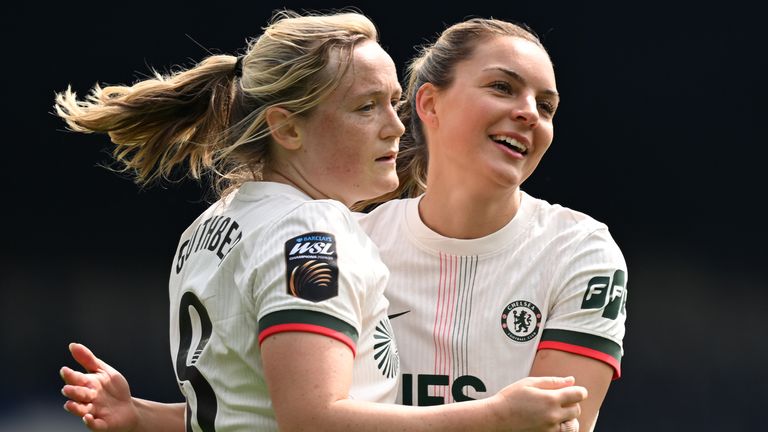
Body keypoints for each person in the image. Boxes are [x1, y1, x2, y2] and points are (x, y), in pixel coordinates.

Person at [55, 9, 587, 432]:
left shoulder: (211, 229)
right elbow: (313, 419)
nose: (394, 127)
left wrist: (142, 417)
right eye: (366, 108)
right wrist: (492, 418)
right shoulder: (312, 236)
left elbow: (248, 413)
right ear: (287, 129)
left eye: (394, 103)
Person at [355, 18, 628, 431]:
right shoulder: (354, 243)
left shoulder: (581, 250)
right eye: (502, 87)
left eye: (546, 107)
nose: (530, 114)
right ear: (429, 104)